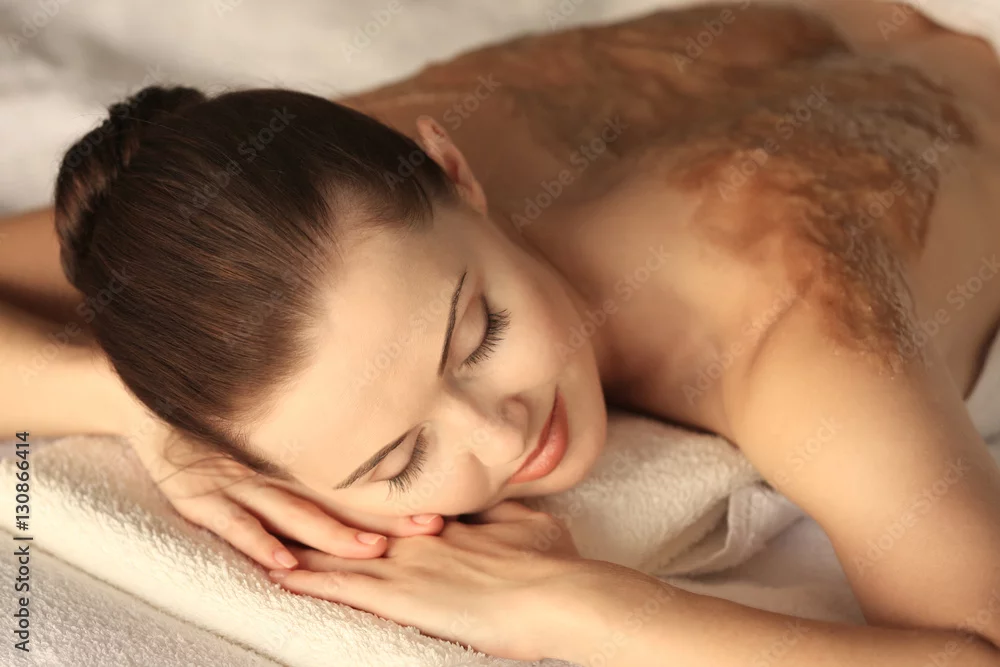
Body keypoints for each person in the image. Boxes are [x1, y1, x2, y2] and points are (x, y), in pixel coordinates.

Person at [3, 0, 1000, 663]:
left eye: (477, 335)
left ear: (455, 172)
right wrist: (137, 408)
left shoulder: (787, 329)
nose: (500, 431)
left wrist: (570, 604)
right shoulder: (273, 193)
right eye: (400, 459)